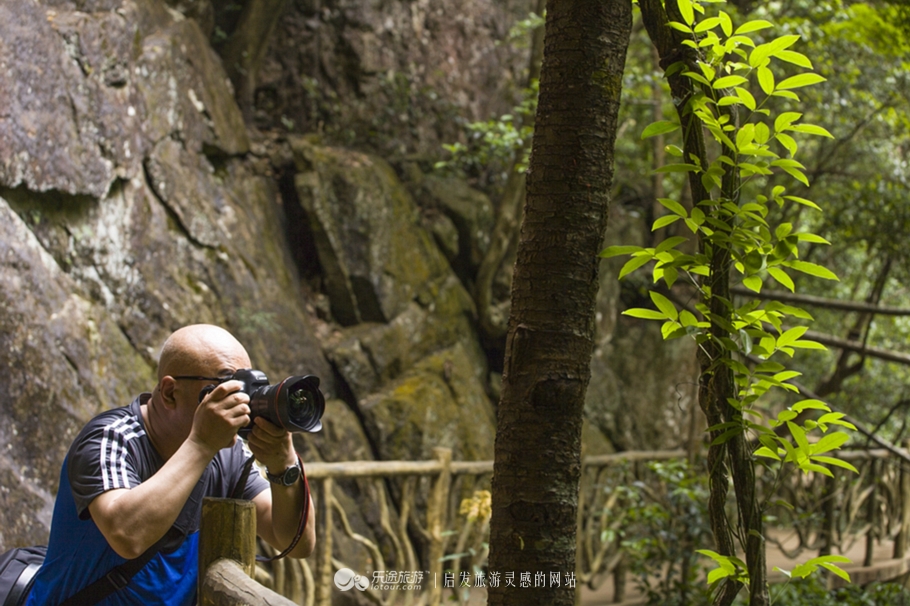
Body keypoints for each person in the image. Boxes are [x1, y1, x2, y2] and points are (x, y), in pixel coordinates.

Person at [27, 324, 316, 605]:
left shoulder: (228, 456)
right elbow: (127, 536)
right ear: (169, 392)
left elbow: (295, 541)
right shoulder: (112, 438)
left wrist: (283, 464)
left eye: (247, 389)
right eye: (226, 386)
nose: (240, 401)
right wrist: (201, 444)